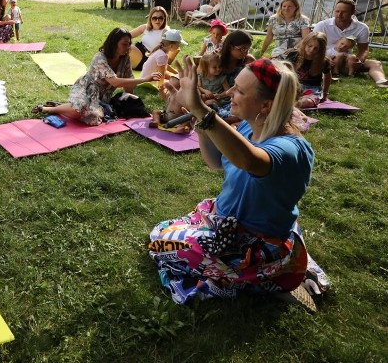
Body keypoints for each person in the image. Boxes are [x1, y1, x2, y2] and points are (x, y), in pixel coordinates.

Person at [149, 57, 325, 307]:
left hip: (252, 243)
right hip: (226, 221)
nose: (230, 92)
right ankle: (277, 274)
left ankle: (269, 276)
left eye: (240, 90)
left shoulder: (289, 148)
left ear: (265, 105)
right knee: (165, 229)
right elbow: (215, 161)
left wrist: (202, 110)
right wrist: (200, 124)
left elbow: (249, 161)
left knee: (160, 242)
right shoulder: (246, 127)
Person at [32, 28, 162, 125]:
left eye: (129, 44)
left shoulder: (125, 59)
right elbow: (115, 82)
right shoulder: (100, 58)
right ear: (114, 43)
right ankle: (50, 109)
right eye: (124, 44)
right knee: (80, 109)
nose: (128, 47)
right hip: (85, 89)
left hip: (102, 97)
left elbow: (129, 82)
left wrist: (128, 99)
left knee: (93, 118)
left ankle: (64, 106)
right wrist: (145, 79)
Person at [312, 0, 388, 87]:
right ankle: (326, 76)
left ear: (353, 12)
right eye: (337, 11)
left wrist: (358, 60)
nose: (339, 15)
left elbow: (364, 50)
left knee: (375, 63)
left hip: (348, 61)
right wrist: (325, 59)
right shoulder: (322, 25)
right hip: (326, 60)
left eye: (344, 12)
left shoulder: (362, 28)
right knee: (313, 62)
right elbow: (313, 46)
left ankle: (381, 81)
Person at [282, 32, 332, 109]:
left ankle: (290, 106)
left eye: (316, 48)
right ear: (304, 44)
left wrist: (325, 93)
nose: (312, 50)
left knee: (306, 102)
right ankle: (288, 104)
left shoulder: (323, 61)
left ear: (321, 50)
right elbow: (284, 71)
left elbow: (327, 76)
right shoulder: (294, 55)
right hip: (294, 86)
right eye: (310, 46)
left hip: (312, 90)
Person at [140, 29, 188, 95]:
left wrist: (177, 72)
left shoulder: (161, 51)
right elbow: (161, 74)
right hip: (149, 82)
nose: (179, 47)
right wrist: (161, 88)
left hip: (148, 77)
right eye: (178, 45)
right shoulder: (162, 56)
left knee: (175, 77)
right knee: (178, 84)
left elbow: (165, 66)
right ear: (171, 46)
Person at [129, 6, 171, 70]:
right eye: (154, 18)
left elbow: (165, 54)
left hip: (147, 58)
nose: (157, 21)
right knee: (121, 39)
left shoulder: (166, 32)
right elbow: (127, 35)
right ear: (150, 19)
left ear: (164, 19)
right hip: (138, 50)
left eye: (160, 18)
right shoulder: (145, 27)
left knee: (126, 47)